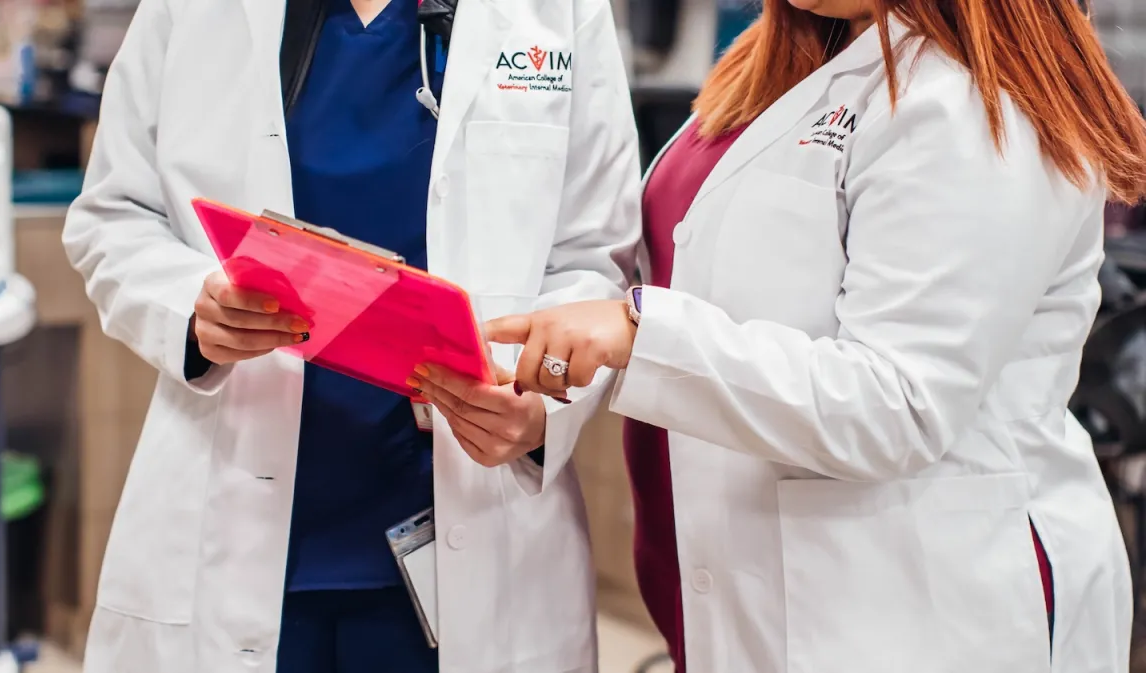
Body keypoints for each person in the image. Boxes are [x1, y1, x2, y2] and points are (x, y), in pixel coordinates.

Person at [481, 0, 1146, 671]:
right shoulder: (788, 59)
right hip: (742, 598)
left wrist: (638, 336)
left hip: (909, 611)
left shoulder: (973, 99)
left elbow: (898, 403)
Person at [61, 0, 640, 669]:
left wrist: (543, 407)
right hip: (230, 534)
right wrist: (190, 308)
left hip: (474, 528)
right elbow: (113, 213)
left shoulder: (558, 11)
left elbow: (594, 260)